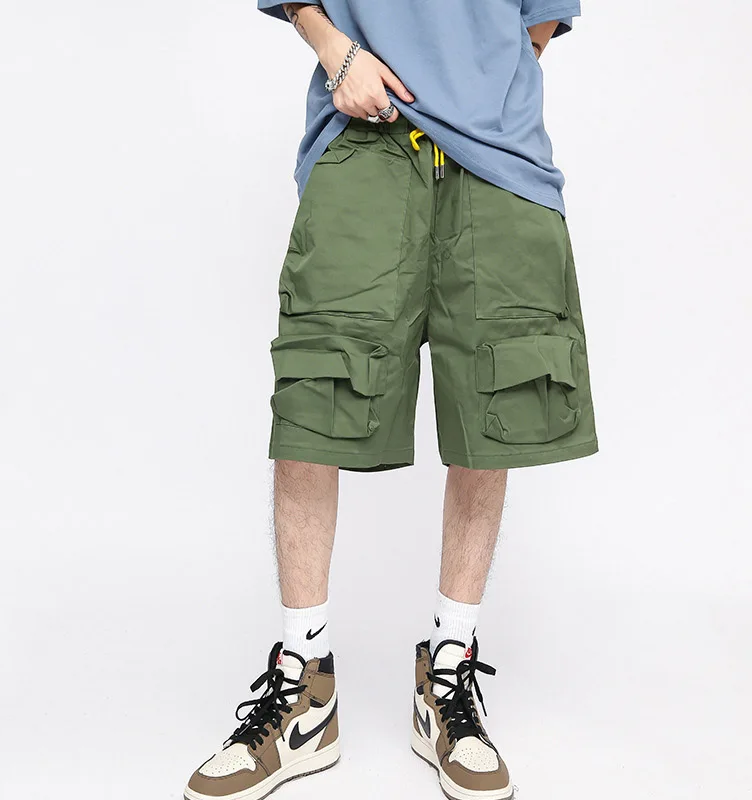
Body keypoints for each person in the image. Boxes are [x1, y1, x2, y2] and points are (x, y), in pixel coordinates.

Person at [184, 2, 598, 799]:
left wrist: (474, 91)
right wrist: (336, 52)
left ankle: (449, 669)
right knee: (314, 403)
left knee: (493, 410)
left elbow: (539, 21)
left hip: (500, 163)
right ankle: (305, 685)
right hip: (362, 138)